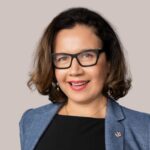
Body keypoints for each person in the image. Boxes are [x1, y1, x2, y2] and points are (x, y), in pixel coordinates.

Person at [19, 7, 150, 150]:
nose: (75, 71)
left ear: (109, 62)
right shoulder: (31, 121)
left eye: (87, 55)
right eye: (63, 58)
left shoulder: (144, 128)